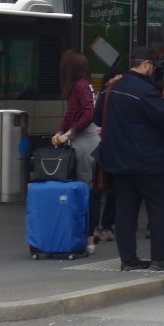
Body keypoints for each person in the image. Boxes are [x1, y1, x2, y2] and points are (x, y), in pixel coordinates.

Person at [93, 45, 164, 271]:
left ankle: (128, 260)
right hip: (147, 161)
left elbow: (98, 117)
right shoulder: (144, 91)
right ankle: (160, 258)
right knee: (159, 206)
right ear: (146, 64)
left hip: (119, 162)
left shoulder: (113, 88)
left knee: (125, 210)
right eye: (153, 66)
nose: (154, 70)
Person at [51, 50, 102, 254]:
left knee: (84, 191)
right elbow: (74, 114)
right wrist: (60, 132)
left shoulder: (79, 87)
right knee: (88, 190)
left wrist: (67, 133)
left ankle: (87, 238)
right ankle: (87, 236)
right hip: (88, 142)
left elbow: (87, 115)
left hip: (84, 145)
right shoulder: (84, 86)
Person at [92, 67, 125, 243]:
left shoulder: (106, 96)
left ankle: (102, 226)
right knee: (104, 188)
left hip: (107, 146)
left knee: (108, 189)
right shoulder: (105, 96)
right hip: (109, 147)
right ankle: (101, 226)